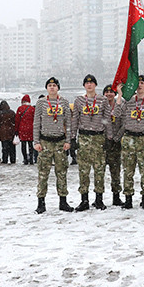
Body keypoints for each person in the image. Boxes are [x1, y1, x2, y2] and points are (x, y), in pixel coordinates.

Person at [114, 75, 144, 210]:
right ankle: (128, 198)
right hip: (129, 138)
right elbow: (116, 114)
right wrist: (120, 95)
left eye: (142, 83)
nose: (139, 85)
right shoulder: (128, 101)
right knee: (128, 170)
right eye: (137, 83)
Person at [33, 77, 73, 213]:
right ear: (46, 88)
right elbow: (36, 123)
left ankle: (63, 201)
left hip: (60, 142)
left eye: (54, 85)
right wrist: (36, 142)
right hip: (45, 142)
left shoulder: (64, 102)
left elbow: (68, 122)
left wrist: (68, 141)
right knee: (43, 173)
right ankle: (41, 203)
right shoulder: (41, 103)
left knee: (61, 172)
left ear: (58, 88)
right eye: (49, 85)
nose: (52, 87)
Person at [72, 74, 111, 211]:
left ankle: (99, 199)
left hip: (99, 138)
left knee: (99, 170)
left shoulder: (103, 100)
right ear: (84, 85)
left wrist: (109, 138)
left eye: (92, 83)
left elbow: (107, 120)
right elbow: (75, 120)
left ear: (95, 85)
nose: (89, 85)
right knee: (84, 171)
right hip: (84, 138)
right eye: (87, 83)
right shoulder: (79, 101)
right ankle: (84, 200)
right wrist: (72, 139)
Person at [102, 84, 125, 207]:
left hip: (115, 143)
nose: (109, 94)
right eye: (106, 92)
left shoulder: (119, 105)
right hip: (102, 143)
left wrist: (117, 137)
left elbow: (124, 123)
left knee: (115, 171)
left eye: (111, 92)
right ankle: (98, 197)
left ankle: (116, 196)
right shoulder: (100, 105)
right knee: (99, 171)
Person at [15, 94, 37, 165]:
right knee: (30, 144)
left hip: (22, 129)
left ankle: (25, 159)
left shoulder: (20, 109)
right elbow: (35, 120)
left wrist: (16, 130)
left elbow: (17, 120)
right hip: (31, 128)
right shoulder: (32, 109)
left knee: (23, 144)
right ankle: (31, 159)